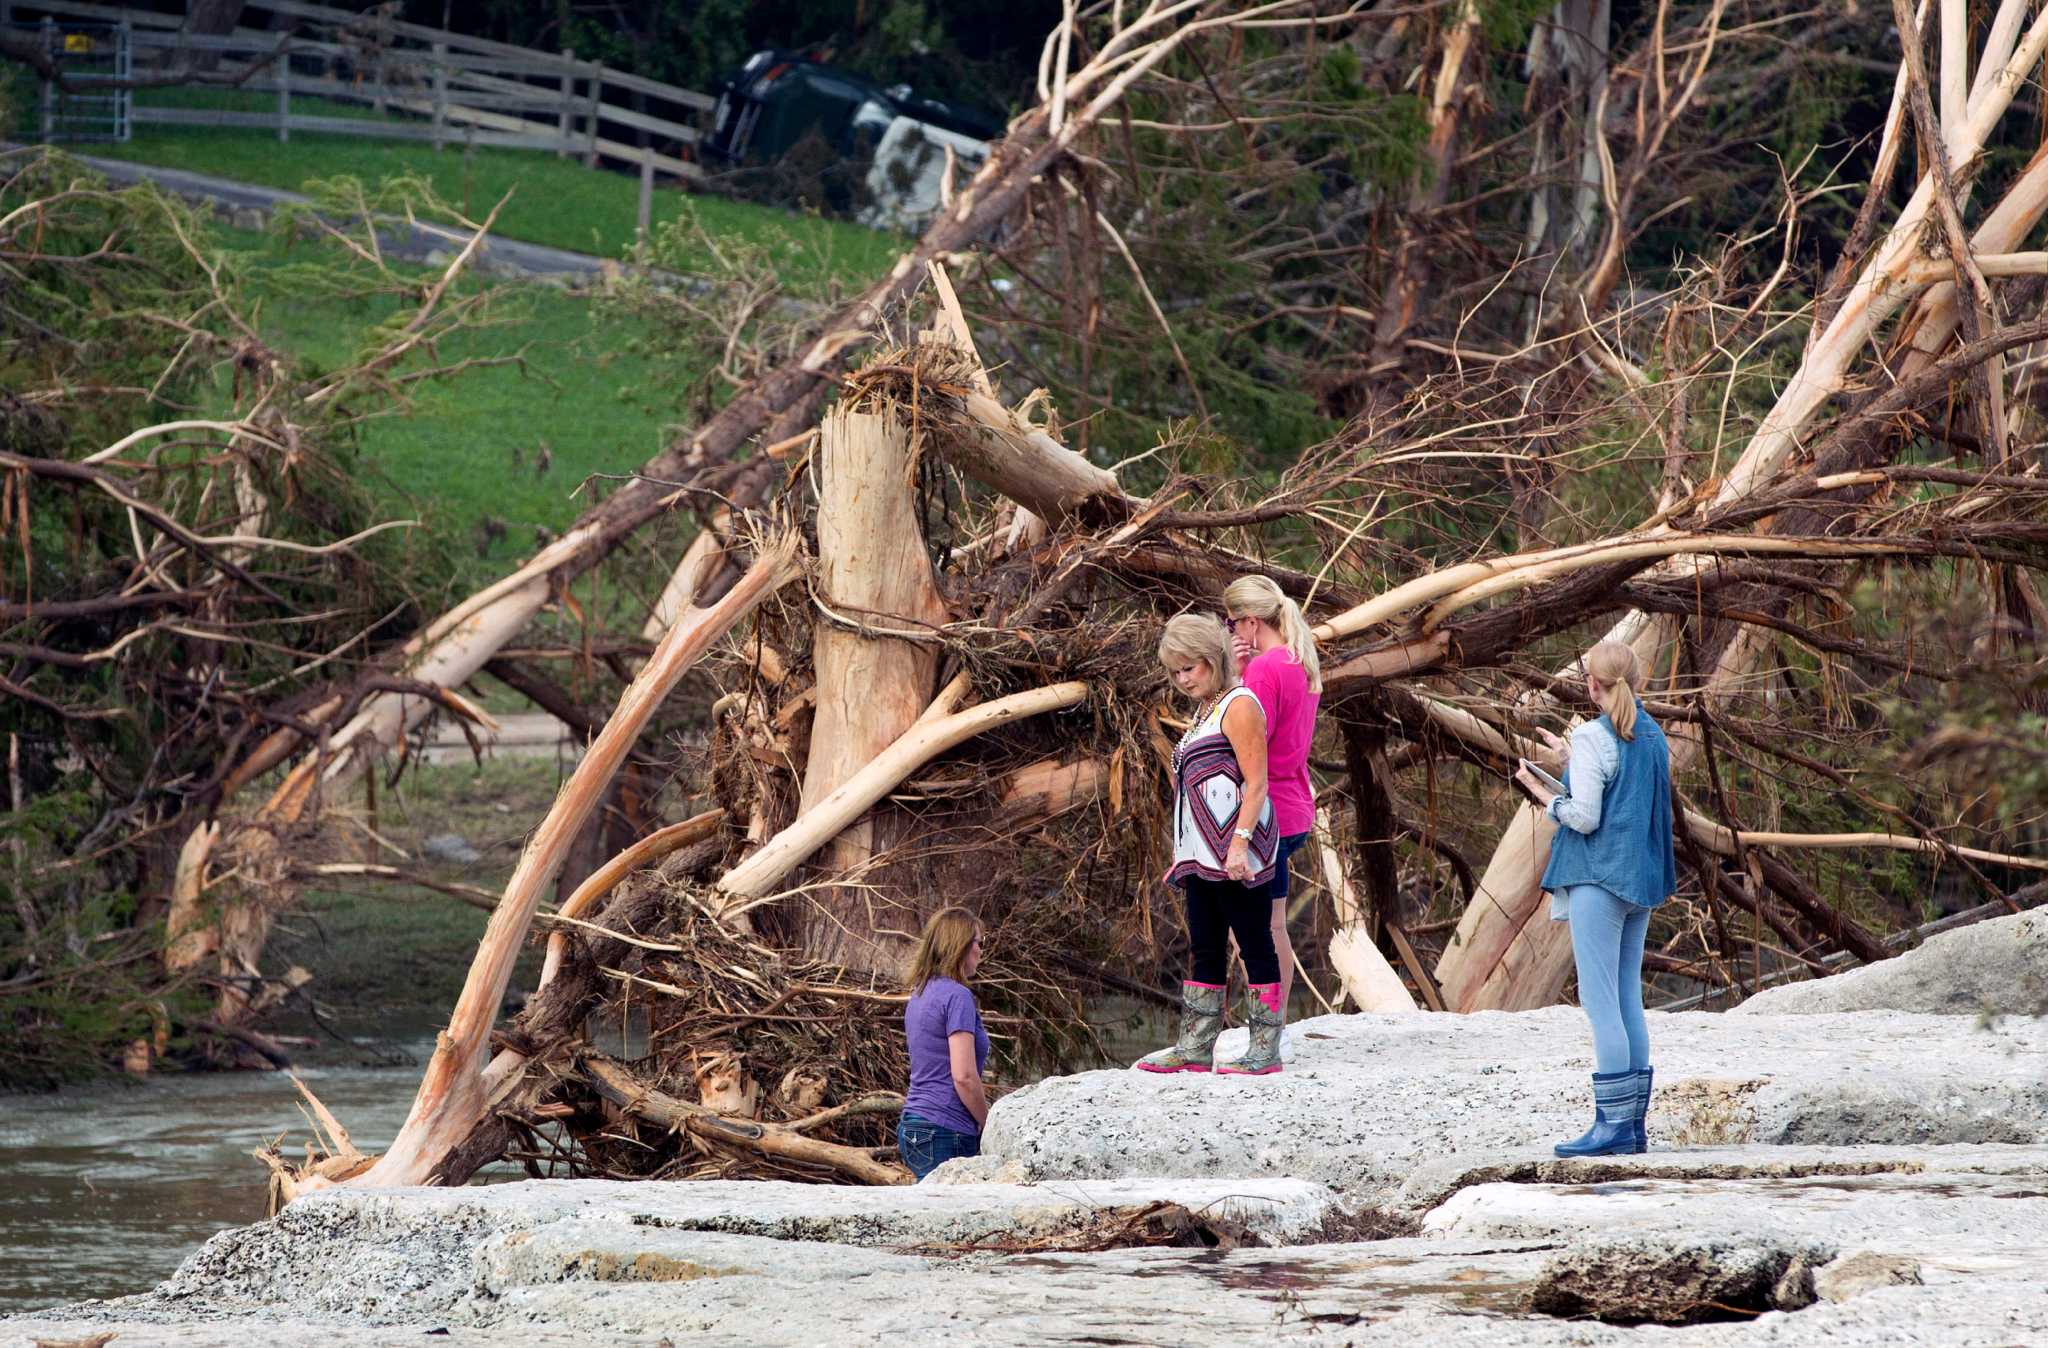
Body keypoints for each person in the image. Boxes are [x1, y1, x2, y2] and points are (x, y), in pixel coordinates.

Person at [1515, 639, 1675, 1158]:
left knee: (1599, 1000)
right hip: (1640, 880)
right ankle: (1632, 1127)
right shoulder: (1653, 735)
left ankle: (1610, 1128)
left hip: (1598, 879)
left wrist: (1549, 799)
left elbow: (1585, 816)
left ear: (1591, 684)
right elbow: (1621, 785)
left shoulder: (1592, 736)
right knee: (1628, 996)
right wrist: (1568, 760)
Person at [1136, 612, 1286, 1076]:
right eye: (1175, 671)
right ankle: (1196, 1047)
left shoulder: (1240, 704)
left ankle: (1265, 1051)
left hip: (1237, 855)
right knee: (1204, 945)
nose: (1182, 679)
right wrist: (1184, 856)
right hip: (1201, 859)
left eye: (1190, 668)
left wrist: (1239, 846)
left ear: (1213, 660)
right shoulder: (1206, 709)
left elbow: (1257, 784)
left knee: (1255, 943)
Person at [1223, 575, 1323, 1025]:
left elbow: (1247, 738)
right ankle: (1274, 1021)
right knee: (1274, 923)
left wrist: (1237, 676)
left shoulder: (1265, 669)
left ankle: (1264, 1022)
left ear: (1249, 621)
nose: (1230, 633)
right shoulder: (1299, 659)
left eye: (1231, 623)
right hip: (1295, 806)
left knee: (1249, 930)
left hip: (1265, 812)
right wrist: (1243, 671)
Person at [898, 906, 990, 1179]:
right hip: (946, 1130)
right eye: (979, 942)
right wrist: (988, 1122)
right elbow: (963, 1077)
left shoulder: (921, 993)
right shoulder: (957, 996)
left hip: (913, 1125)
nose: (981, 951)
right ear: (960, 945)